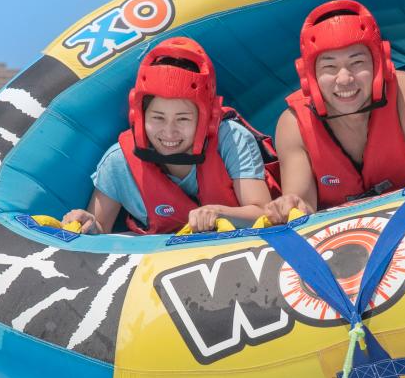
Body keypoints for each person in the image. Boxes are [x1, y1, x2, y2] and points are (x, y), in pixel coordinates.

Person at [262, 0, 405, 223]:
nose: (344, 79)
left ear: (379, 62)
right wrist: (290, 206)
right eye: (329, 67)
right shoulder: (293, 124)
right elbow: (301, 209)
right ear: (308, 76)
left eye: (357, 62)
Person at [63, 37, 273, 234]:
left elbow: (263, 212)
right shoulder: (119, 162)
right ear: (139, 115)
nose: (169, 131)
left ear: (206, 119)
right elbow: (99, 230)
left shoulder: (233, 140)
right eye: (157, 118)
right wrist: (86, 223)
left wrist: (219, 213)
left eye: (182, 119)